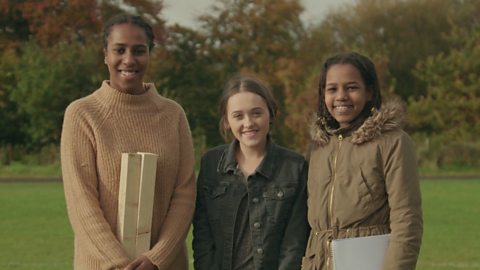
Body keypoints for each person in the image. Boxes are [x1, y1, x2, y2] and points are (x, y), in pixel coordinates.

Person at [60, 14, 195, 270]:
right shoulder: (82, 114)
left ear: (149, 55)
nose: (129, 60)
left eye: (139, 51)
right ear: (105, 54)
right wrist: (120, 264)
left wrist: (156, 259)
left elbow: (184, 195)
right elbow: (82, 203)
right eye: (119, 50)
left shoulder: (173, 114)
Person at [302, 52, 423, 270]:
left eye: (351, 87)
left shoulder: (393, 142)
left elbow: (407, 220)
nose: (341, 96)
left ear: (369, 92)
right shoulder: (317, 147)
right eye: (332, 89)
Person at [192, 75, 309, 270]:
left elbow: (294, 244)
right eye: (238, 116)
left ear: (270, 114)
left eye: (256, 113)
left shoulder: (294, 166)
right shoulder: (211, 164)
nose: (248, 123)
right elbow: (203, 238)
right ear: (227, 121)